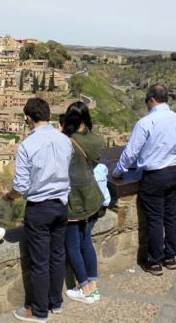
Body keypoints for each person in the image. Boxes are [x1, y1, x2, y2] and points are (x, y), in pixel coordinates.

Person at [1, 98, 74, 322]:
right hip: (61, 205)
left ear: (28, 118)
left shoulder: (27, 146)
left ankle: (39, 311)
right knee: (57, 255)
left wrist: (9, 196)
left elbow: (21, 187)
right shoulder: (65, 141)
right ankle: (56, 302)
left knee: (40, 261)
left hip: (39, 209)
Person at [112, 84, 176, 276]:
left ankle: (154, 261)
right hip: (173, 174)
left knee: (155, 219)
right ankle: (170, 256)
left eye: (146, 101)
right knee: (170, 216)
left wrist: (118, 172)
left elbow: (131, 152)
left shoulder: (146, 122)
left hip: (154, 176)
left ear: (151, 99)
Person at [61, 102, 105, 304]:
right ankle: (93, 285)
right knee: (86, 241)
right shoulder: (96, 139)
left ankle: (85, 289)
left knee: (72, 244)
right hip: (91, 196)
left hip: (74, 199)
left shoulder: (68, 142)